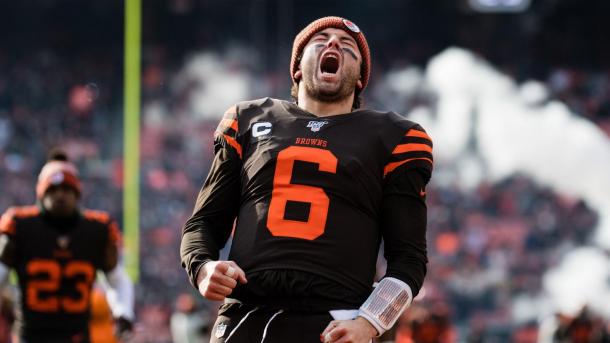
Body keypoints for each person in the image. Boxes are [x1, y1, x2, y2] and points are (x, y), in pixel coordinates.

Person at [181, 16, 433, 343]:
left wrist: (370, 323)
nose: (333, 44)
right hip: (249, 311)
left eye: (348, 47)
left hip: (338, 319)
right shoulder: (248, 119)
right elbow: (203, 223)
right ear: (297, 67)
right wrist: (202, 267)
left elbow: (409, 259)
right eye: (321, 40)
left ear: (360, 79)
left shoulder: (395, 137)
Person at [0, 150, 135, 343]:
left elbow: (117, 279)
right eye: (53, 190)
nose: (60, 196)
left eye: (66, 189)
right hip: (31, 336)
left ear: (77, 193)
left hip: (76, 336)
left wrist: (123, 312)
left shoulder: (96, 230)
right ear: (40, 193)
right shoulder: (20, 226)